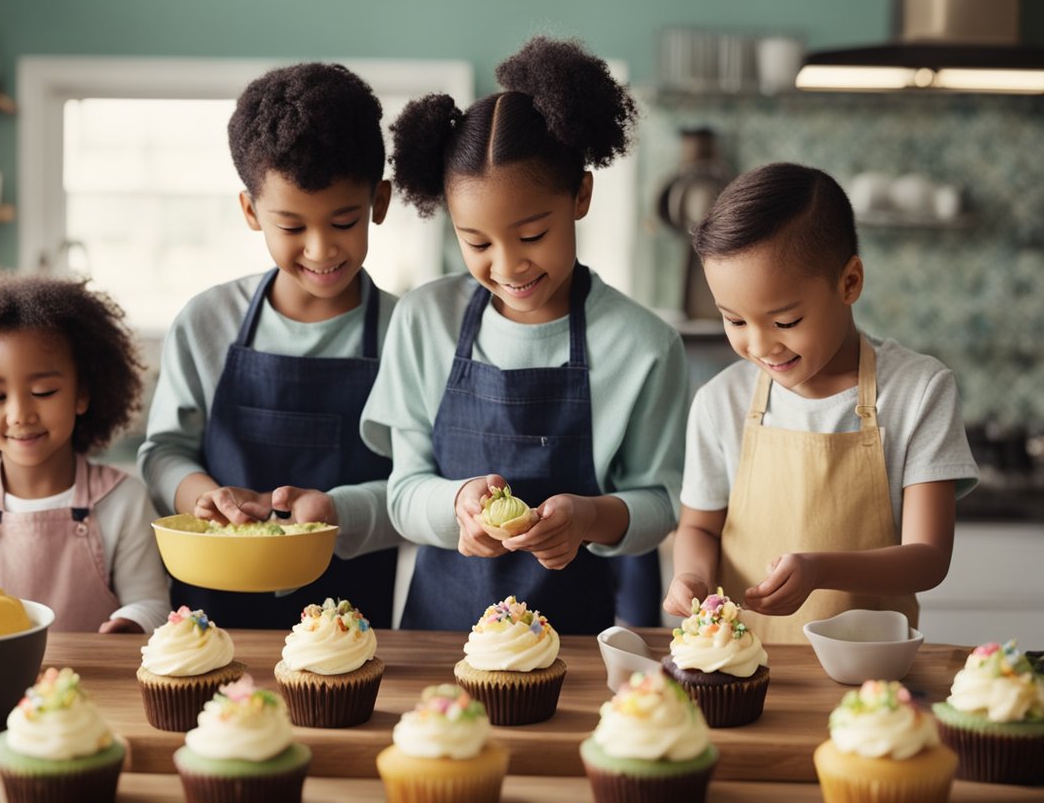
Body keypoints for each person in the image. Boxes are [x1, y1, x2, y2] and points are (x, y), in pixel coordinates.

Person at [360, 36, 689, 634]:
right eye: (478, 243)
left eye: (533, 234)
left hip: (576, 649)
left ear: (580, 196)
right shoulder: (422, 321)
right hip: (440, 641)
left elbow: (662, 504)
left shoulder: (643, 346)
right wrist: (457, 505)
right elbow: (403, 492)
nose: (508, 266)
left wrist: (588, 518)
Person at [662, 162, 979, 643]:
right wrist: (691, 578)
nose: (761, 346)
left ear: (849, 282)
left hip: (872, 672)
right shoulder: (719, 402)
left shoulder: (918, 391)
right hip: (742, 668)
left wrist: (818, 569)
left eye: (785, 321)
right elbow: (699, 530)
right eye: (735, 321)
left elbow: (928, 558)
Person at [138, 62, 401, 628]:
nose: (321, 248)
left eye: (344, 220)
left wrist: (337, 513)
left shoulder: (407, 333)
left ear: (379, 202)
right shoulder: (208, 322)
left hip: (353, 623)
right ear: (251, 212)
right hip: (209, 621)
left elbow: (417, 485)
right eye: (292, 226)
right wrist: (201, 497)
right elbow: (162, 453)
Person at [0, 273, 170, 633]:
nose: (20, 415)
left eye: (44, 391)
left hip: (91, 685)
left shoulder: (123, 500)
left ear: (82, 394)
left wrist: (131, 622)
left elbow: (152, 604)